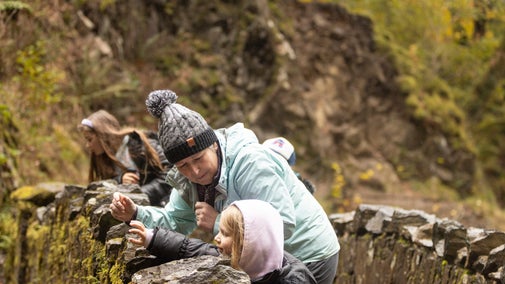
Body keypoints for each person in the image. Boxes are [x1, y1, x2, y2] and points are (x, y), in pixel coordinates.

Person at [110, 89, 340, 284]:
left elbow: (281, 223)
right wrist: (135, 213)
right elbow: (176, 221)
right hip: (261, 260)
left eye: (199, 159)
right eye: (183, 165)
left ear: (213, 145)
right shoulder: (189, 180)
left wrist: (217, 222)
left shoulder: (249, 163)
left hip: (309, 252)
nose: (195, 172)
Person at [127, 199, 316, 283]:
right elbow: (191, 249)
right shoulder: (236, 257)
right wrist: (153, 238)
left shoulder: (293, 279)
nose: (216, 237)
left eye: (225, 234)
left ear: (248, 242)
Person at [78, 110, 172, 207]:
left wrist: (139, 194)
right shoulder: (105, 161)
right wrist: (121, 180)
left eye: (90, 139)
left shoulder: (144, 145)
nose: (88, 145)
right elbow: (107, 188)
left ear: (103, 134)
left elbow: (169, 175)